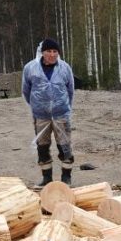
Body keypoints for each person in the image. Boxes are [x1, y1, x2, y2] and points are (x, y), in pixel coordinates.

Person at [22, 38, 76, 187]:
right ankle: (47, 178)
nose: (52, 55)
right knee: (43, 147)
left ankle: (66, 177)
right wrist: (37, 106)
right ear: (42, 52)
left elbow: (70, 90)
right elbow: (26, 91)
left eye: (55, 51)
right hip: (41, 116)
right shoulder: (30, 69)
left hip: (61, 115)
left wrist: (65, 108)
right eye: (49, 51)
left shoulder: (65, 68)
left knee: (64, 146)